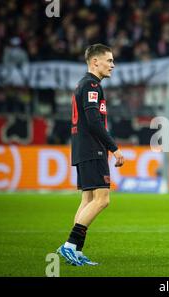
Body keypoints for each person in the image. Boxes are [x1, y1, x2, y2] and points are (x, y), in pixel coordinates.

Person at [57, 44, 124, 266]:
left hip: (82, 147)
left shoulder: (83, 85)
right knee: (102, 200)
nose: (113, 65)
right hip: (92, 148)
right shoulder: (92, 85)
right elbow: (94, 121)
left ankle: (74, 250)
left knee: (87, 199)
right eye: (109, 60)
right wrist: (114, 148)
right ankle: (69, 245)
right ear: (95, 62)